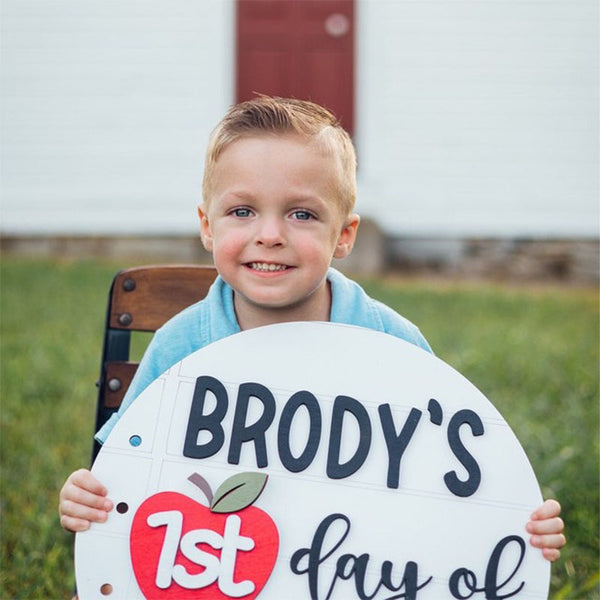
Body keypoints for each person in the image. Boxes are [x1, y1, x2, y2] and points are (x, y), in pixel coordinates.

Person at [59, 96, 565, 561]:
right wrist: (88, 500)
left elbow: (443, 482)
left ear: (343, 235)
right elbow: (125, 472)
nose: (271, 235)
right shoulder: (181, 346)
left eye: (302, 214)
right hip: (220, 565)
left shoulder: (394, 347)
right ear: (208, 226)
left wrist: (513, 522)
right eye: (242, 211)